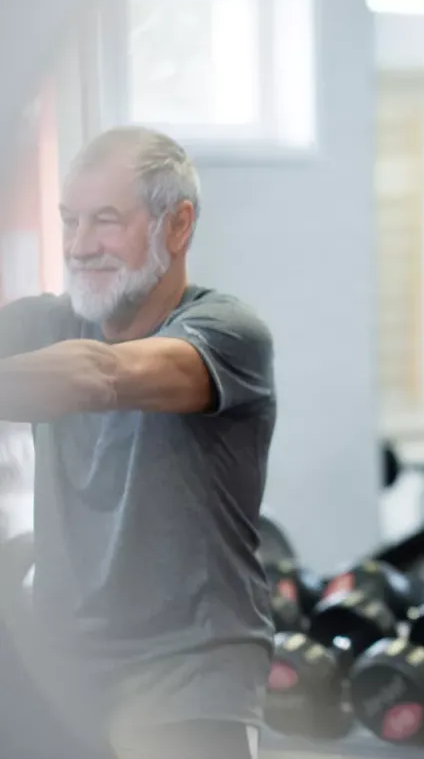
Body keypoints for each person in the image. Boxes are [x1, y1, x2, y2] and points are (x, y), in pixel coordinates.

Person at [0, 126, 275, 759]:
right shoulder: (46, 320)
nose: (79, 246)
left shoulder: (227, 332)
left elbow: (100, 375)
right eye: (70, 221)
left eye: (105, 221)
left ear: (177, 226)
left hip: (187, 668)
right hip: (63, 662)